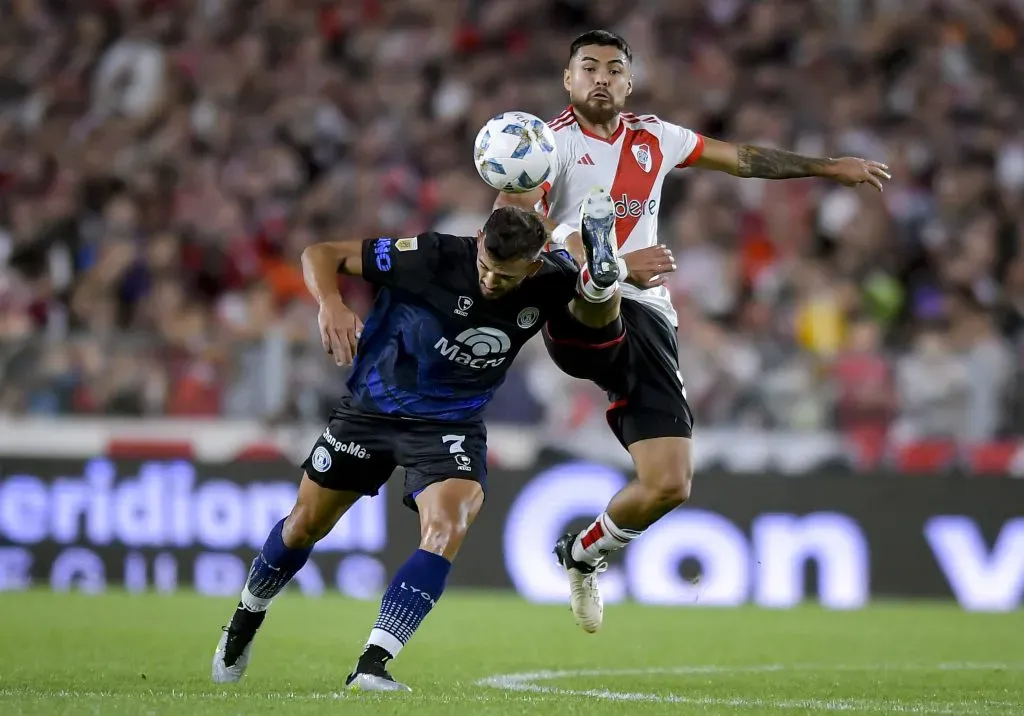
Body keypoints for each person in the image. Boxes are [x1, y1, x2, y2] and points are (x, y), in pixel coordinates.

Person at [497, 29, 892, 634]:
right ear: (568, 80)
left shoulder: (658, 137)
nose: (600, 77)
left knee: (669, 484)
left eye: (613, 68)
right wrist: (599, 262)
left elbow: (742, 160)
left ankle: (583, 553)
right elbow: (516, 219)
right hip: (573, 304)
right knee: (588, 270)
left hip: (650, 315)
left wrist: (826, 169)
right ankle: (601, 269)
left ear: (628, 83)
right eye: (588, 67)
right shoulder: (544, 145)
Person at [210, 207, 581, 691]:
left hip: (450, 423)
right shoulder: (432, 256)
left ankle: (372, 664)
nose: (490, 281)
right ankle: (245, 618)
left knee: (449, 525)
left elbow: (600, 298)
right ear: (477, 240)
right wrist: (331, 303)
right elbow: (320, 254)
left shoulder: (554, 281)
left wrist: (611, 271)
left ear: (533, 266)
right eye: (485, 265)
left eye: (504, 275)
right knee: (305, 525)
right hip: (373, 410)